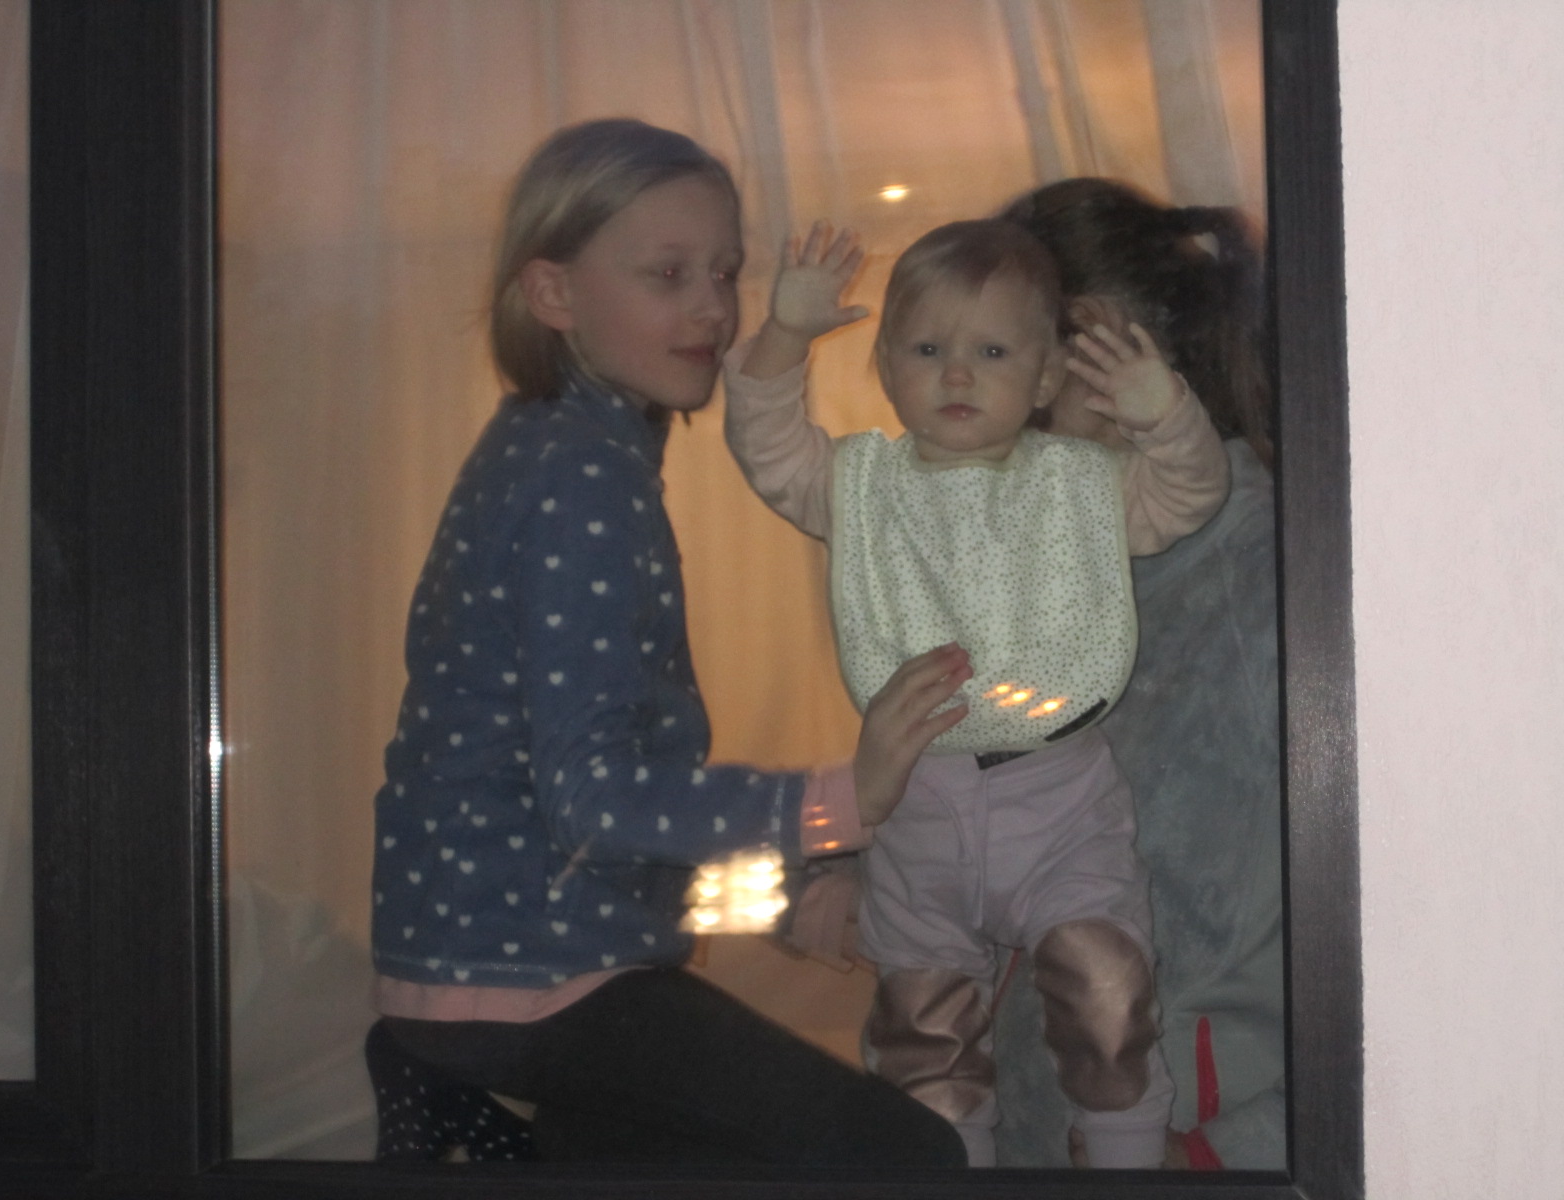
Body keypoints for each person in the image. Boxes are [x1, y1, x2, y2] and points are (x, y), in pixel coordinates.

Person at [365, 118, 976, 1168]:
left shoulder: (555, 445)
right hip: (530, 979)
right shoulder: (580, 477)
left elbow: (557, 805)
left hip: (487, 963)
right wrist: (837, 800)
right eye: (668, 273)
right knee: (909, 1160)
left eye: (724, 272)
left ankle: (469, 1114)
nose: (712, 306)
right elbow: (596, 799)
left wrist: (787, 892)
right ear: (552, 293)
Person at [721, 217, 1230, 1167]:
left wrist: (1164, 412)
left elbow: (1188, 493)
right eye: (927, 350)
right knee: (924, 1034)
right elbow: (770, 447)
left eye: (992, 352)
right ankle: (952, 1169)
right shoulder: (859, 486)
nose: (957, 374)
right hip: (918, 809)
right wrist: (784, 335)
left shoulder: (1084, 487)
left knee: (1106, 984)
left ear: (1045, 378)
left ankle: (1127, 1161)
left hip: (1059, 800)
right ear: (885, 367)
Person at [992, 177, 1284, 1170]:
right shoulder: (1084, 571)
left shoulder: (1266, 589)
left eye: (1004, 362)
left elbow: (1376, 955)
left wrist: (1211, 1154)